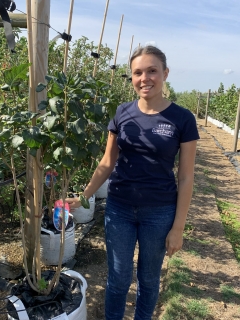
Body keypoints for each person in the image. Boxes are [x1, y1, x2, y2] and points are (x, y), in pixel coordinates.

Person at [65, 45, 199, 320]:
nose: (145, 78)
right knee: (118, 278)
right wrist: (86, 196)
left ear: (165, 74)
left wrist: (178, 227)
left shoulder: (182, 118)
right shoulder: (122, 112)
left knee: (149, 280)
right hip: (119, 209)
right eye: (138, 72)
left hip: (159, 212)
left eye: (152, 71)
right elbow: (107, 162)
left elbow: (186, 177)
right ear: (132, 77)